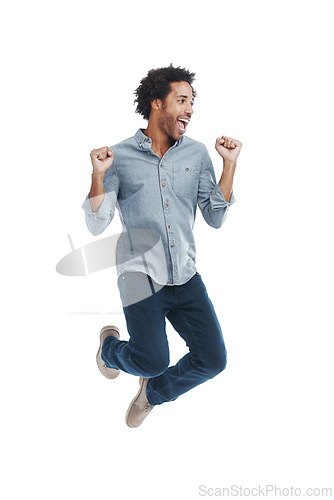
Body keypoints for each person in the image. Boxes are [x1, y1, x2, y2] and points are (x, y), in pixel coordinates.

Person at [81, 64, 242, 428]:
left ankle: (152, 393)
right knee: (151, 359)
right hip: (140, 275)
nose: (190, 108)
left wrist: (228, 165)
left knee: (213, 359)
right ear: (157, 103)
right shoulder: (118, 156)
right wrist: (98, 174)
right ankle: (109, 350)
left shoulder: (197, 154)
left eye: (192, 101)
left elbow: (215, 217)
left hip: (184, 273)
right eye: (181, 100)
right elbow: (96, 223)